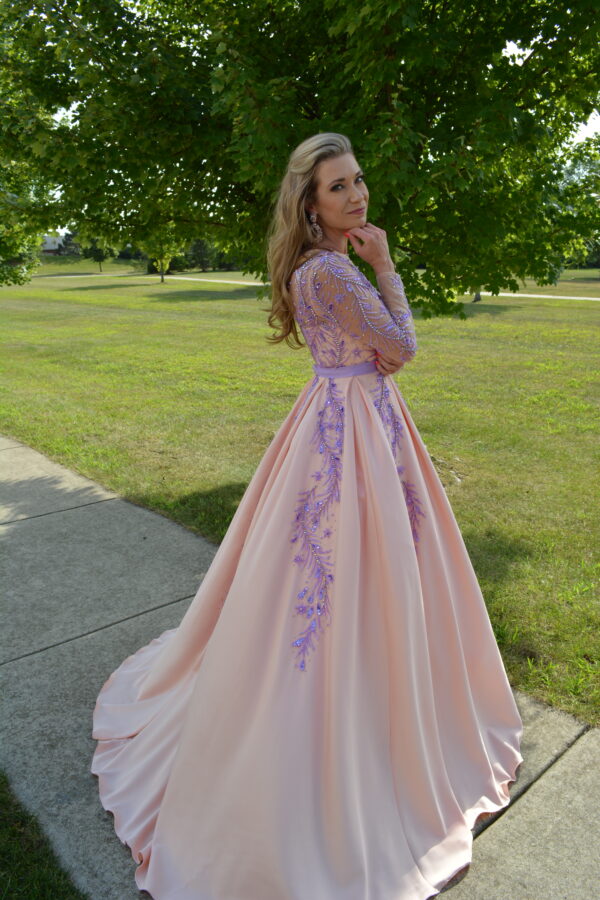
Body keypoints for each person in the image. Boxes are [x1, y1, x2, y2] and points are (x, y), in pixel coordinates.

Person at [92, 132, 523, 900]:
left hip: (345, 418)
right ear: (311, 203)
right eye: (338, 187)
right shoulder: (334, 273)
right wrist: (387, 268)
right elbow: (399, 348)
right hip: (350, 426)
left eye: (358, 181)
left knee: (351, 566)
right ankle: (334, 732)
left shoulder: (313, 268)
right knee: (333, 572)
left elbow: (377, 356)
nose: (356, 196)